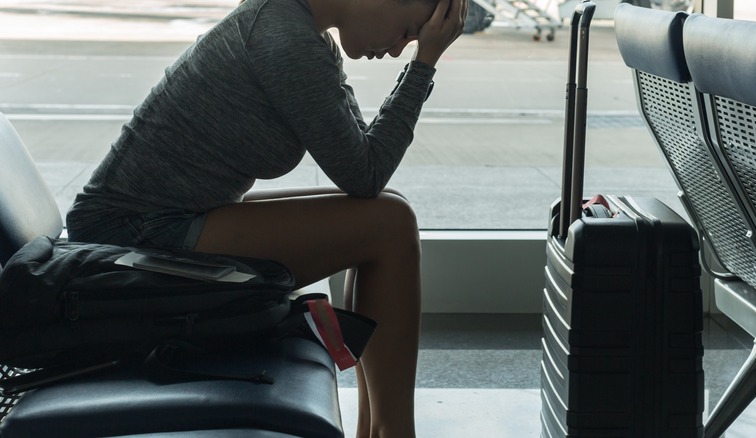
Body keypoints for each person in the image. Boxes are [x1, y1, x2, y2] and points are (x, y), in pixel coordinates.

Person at [66, 0, 466, 436]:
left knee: (387, 214)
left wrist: (421, 60)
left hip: (157, 224)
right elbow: (364, 174)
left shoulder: (302, 32)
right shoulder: (283, 38)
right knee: (389, 224)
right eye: (408, 31)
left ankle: (381, 430)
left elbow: (366, 167)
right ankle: (394, 433)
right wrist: (424, 65)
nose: (398, 50)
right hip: (131, 243)